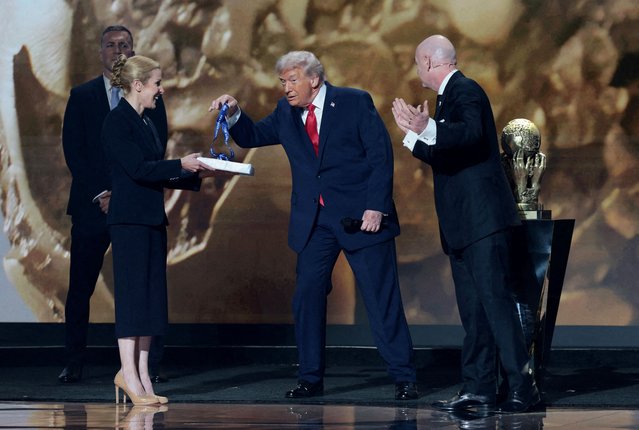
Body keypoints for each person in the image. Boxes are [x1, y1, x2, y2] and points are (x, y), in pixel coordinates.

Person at [209, 50, 418, 401]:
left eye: (293, 81)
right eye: (283, 82)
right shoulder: (285, 113)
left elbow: (381, 155)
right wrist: (234, 113)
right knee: (306, 297)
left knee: (381, 299)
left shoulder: (353, 102)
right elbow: (252, 137)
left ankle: (404, 376)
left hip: (361, 218)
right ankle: (310, 378)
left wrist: (376, 207)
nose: (287, 88)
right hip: (315, 222)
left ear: (314, 79)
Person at [391, 35, 540, 413]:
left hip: (483, 221)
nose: (415, 70)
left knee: (496, 305)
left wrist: (428, 128)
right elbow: (448, 154)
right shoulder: (446, 98)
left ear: (427, 61)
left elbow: (471, 136)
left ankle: (523, 387)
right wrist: (414, 136)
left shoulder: (466, 90)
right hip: (462, 225)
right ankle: (478, 389)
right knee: (474, 312)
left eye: (415, 62)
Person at [60, 25, 168, 383]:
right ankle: (74, 360)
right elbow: (75, 152)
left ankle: (146, 366)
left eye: (125, 45)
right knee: (81, 286)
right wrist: (104, 193)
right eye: (111, 45)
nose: (118, 50)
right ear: (100, 50)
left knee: (143, 285)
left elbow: (156, 147)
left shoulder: (152, 98)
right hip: (94, 206)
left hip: (135, 207)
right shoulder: (83, 95)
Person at [103, 53, 212, 405]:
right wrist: (180, 163)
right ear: (137, 85)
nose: (160, 90)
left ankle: (144, 376)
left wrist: (196, 174)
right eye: (156, 83)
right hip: (129, 221)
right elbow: (138, 169)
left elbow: (155, 170)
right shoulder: (116, 122)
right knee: (133, 299)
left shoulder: (147, 121)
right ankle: (128, 375)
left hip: (151, 218)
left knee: (151, 300)